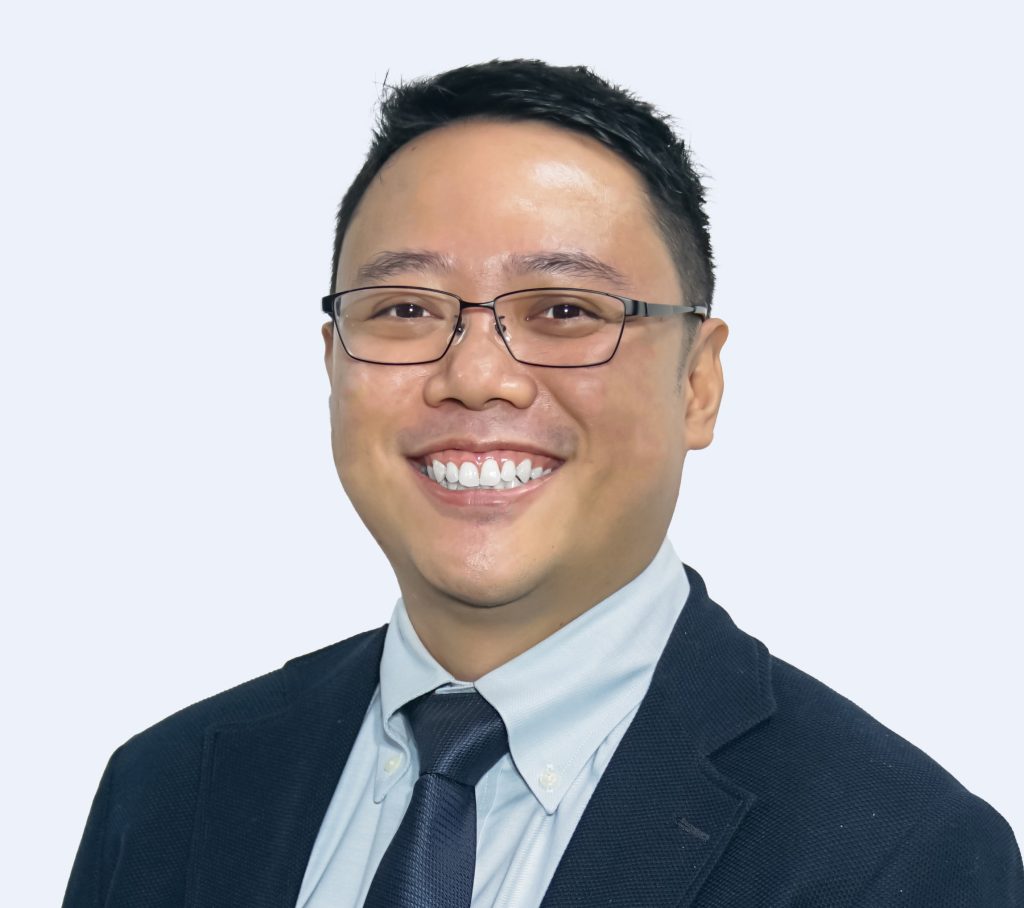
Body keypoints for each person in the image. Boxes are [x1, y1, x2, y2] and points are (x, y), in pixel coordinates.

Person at [63, 58, 1023, 907]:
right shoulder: (168, 792)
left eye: (564, 309)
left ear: (698, 382)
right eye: (404, 307)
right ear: (332, 365)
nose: (476, 374)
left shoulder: (903, 858)